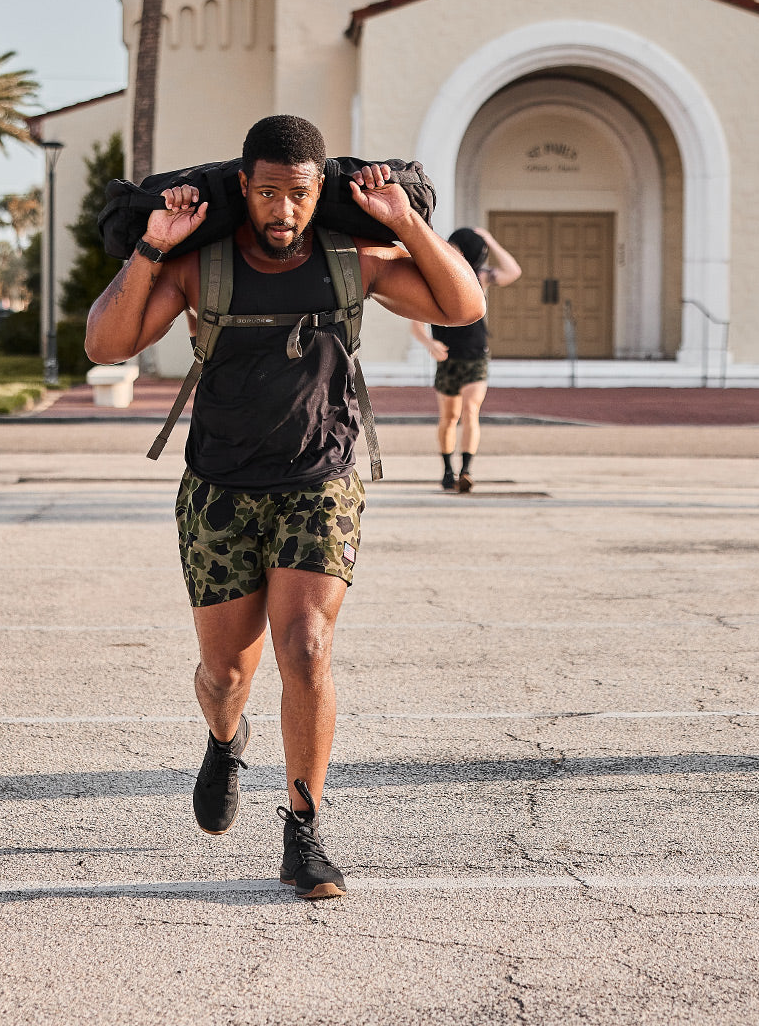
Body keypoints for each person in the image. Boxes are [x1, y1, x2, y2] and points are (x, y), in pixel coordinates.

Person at [84, 115, 485, 899]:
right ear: (244, 186)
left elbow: (461, 308)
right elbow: (107, 345)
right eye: (267, 193)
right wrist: (152, 245)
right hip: (220, 489)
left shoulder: (353, 259)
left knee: (304, 646)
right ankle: (225, 738)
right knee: (226, 671)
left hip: (320, 480)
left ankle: (304, 831)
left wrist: (405, 224)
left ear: (316, 190)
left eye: (298, 195)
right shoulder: (201, 265)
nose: (282, 211)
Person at [410, 228, 521, 492]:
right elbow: (415, 323)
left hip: (476, 355)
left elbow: (513, 271)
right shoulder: (434, 278)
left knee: (471, 411)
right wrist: (430, 343)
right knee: (449, 416)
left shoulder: (481, 277)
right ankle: (448, 470)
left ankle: (467, 470)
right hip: (448, 358)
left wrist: (491, 239)